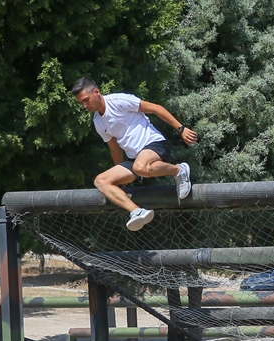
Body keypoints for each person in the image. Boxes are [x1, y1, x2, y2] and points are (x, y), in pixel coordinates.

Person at [72, 77, 198, 231]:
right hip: (135, 159)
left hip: (154, 144)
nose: (85, 105)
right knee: (101, 181)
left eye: (86, 100)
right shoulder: (98, 122)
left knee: (140, 166)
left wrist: (181, 129)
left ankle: (179, 170)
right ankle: (137, 211)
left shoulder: (119, 101)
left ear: (96, 92)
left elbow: (156, 108)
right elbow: (115, 149)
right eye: (81, 103)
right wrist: (120, 179)